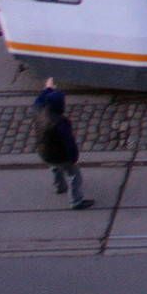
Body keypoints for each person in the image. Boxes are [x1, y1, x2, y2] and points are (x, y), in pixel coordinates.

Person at [33, 79, 95, 209]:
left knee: (54, 168)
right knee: (74, 176)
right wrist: (74, 159)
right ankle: (76, 201)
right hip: (61, 156)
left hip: (44, 152)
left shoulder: (40, 111)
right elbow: (69, 144)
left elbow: (38, 101)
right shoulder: (61, 123)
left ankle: (59, 186)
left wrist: (48, 89)